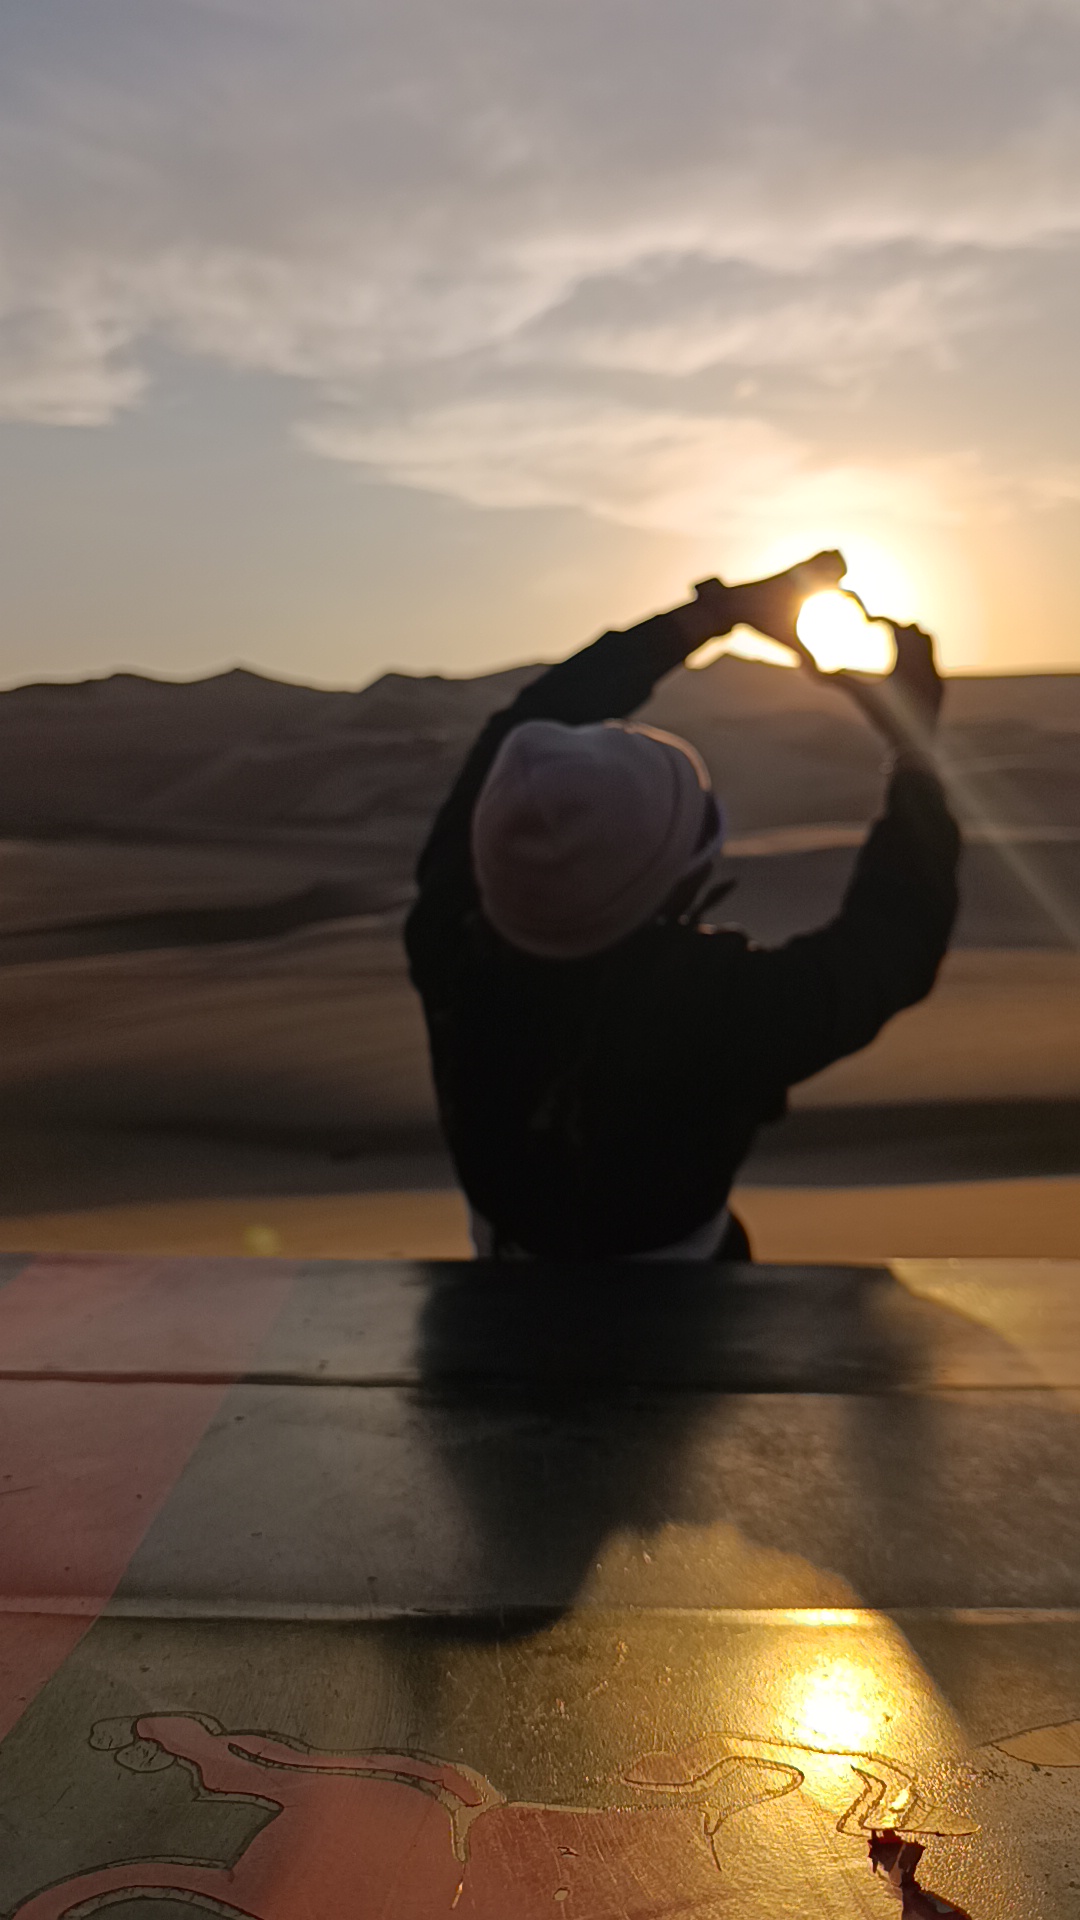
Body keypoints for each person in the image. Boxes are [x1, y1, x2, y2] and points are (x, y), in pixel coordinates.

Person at [405, 552, 960, 1260]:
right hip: (694, 1311)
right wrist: (913, 743)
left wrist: (715, 614)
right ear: (675, 889)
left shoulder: (450, 938)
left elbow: (529, 732)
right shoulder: (726, 1010)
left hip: (496, 1288)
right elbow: (896, 939)